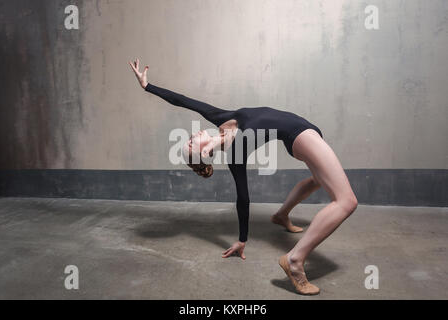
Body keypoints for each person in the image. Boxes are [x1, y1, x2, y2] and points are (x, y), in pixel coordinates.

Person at [129, 59, 358, 295]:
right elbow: (243, 199)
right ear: (205, 153)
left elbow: (185, 101)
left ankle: (281, 215)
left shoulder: (221, 118)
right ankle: (295, 260)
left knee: (318, 180)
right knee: (346, 202)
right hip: (299, 135)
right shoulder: (235, 155)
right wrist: (242, 239)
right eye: (191, 143)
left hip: (304, 129)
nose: (192, 135)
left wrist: (148, 87)